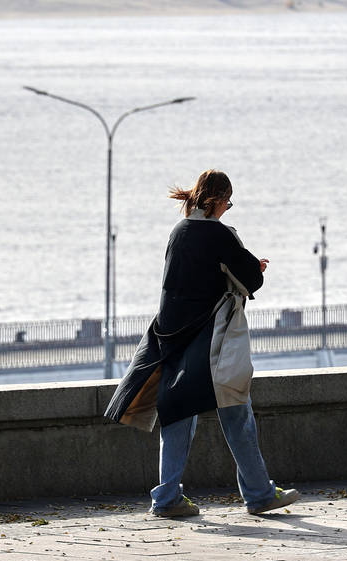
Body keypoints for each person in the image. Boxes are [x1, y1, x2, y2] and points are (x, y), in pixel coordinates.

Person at [104, 169, 300, 517]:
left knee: (177, 415)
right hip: (212, 342)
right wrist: (257, 267)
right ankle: (258, 494)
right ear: (217, 199)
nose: (228, 207)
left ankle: (166, 498)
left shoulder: (179, 231)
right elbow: (249, 280)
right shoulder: (219, 235)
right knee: (237, 411)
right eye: (228, 201)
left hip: (172, 336)